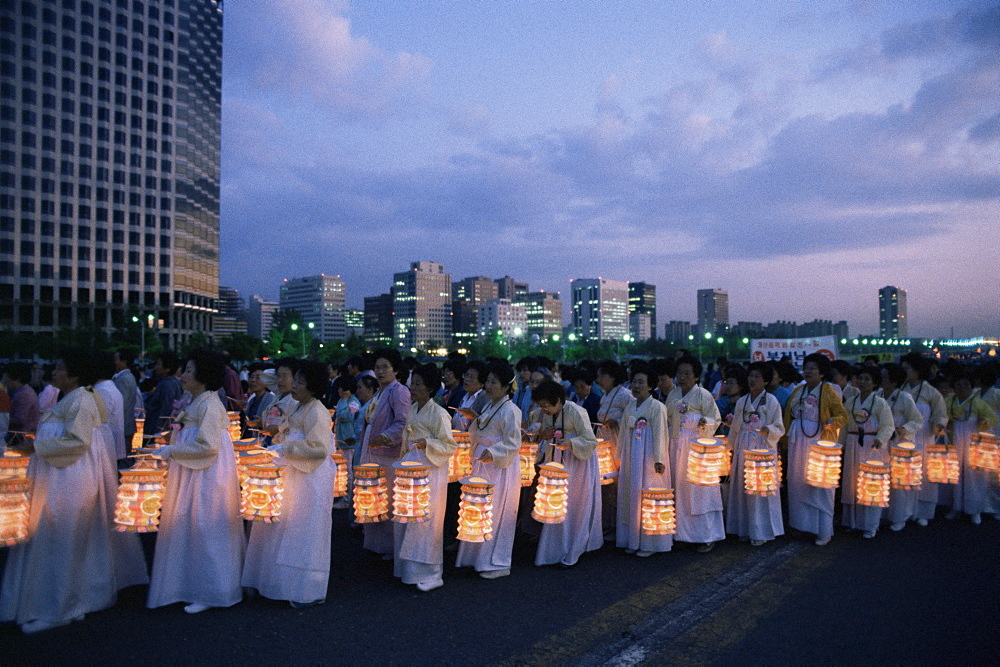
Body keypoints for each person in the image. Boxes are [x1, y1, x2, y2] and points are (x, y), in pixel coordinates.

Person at [0, 351, 120, 633]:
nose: (53, 372)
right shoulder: (74, 398)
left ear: (75, 374)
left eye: (59, 368)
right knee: (60, 540)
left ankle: (58, 609)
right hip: (59, 475)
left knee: (60, 539)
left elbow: (77, 442)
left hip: (68, 477)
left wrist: (35, 447)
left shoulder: (81, 400)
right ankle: (66, 603)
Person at [147, 349, 245, 614]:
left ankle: (212, 589)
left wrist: (171, 451)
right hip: (192, 472)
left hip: (206, 475)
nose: (183, 375)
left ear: (203, 375)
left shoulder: (210, 404)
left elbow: (209, 447)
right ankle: (188, 585)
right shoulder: (197, 401)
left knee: (206, 526)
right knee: (190, 525)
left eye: (189, 370)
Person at [244, 360, 335, 607]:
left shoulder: (316, 410)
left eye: (300, 382)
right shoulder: (298, 406)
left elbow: (319, 448)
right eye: (294, 380)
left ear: (314, 386)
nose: (294, 385)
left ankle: (306, 588)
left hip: (309, 476)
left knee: (304, 530)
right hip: (293, 471)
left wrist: (284, 447)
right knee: (285, 528)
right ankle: (279, 583)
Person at [394, 363, 458, 592]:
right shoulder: (413, 408)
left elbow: (449, 445)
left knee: (426, 518)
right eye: (413, 382)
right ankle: (407, 569)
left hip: (430, 467)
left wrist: (426, 443)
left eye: (418, 383)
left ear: (430, 388)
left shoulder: (439, 414)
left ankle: (431, 572)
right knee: (408, 515)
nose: (413, 387)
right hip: (411, 464)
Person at [456, 361, 522, 579]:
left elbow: (513, 442)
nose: (489, 386)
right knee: (478, 507)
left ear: (506, 387)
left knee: (495, 510)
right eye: (489, 381)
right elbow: (485, 428)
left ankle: (495, 562)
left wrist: (493, 452)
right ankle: (475, 556)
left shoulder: (511, 410)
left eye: (495, 382)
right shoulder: (490, 406)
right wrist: (474, 419)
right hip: (482, 460)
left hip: (498, 465)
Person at [532, 379, 603, 567]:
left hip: (579, 463)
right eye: (541, 406)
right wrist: (544, 436)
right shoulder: (548, 414)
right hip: (558, 461)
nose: (544, 410)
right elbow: (545, 435)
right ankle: (553, 549)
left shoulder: (577, 411)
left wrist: (571, 442)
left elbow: (590, 440)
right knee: (556, 502)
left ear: (557, 400)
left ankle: (575, 546)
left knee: (575, 504)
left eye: (546, 405)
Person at [783, 353, 848, 546]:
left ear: (822, 372)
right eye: (806, 367)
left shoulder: (828, 391)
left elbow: (842, 416)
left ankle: (823, 530)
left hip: (819, 441)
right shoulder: (798, 391)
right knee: (797, 483)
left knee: (819, 485)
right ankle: (802, 526)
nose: (808, 371)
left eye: (813, 368)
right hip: (798, 439)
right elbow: (789, 415)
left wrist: (831, 422)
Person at [666, 355, 723, 552]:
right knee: (678, 487)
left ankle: (705, 535)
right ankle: (679, 533)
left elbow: (715, 418)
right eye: (680, 373)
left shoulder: (703, 395)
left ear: (696, 377)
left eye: (687, 374)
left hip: (696, 449)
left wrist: (704, 423)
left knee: (699, 491)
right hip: (675, 447)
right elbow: (667, 420)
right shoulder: (672, 396)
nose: (682, 377)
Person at [615, 361, 672, 557]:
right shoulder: (630, 406)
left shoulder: (657, 407)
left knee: (648, 495)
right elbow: (623, 432)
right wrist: (619, 455)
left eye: (641, 382)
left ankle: (650, 542)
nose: (636, 386)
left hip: (648, 455)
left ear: (650, 385)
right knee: (630, 494)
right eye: (634, 382)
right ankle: (631, 538)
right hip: (631, 454)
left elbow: (661, 434)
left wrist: (659, 459)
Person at [725, 362, 785, 546]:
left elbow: (779, 427)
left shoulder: (771, 401)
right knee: (743, 486)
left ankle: (761, 531)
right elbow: (735, 427)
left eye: (757, 377)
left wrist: (768, 429)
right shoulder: (742, 401)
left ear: (766, 381)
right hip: (744, 443)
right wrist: (731, 447)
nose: (752, 380)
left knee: (759, 489)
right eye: (751, 376)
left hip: (762, 447)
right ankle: (743, 528)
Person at [359, 349, 411, 558]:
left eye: (385, 367)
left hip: (387, 453)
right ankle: (376, 544)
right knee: (374, 496)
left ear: (395, 369)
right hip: (372, 450)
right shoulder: (381, 391)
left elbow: (403, 422)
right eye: (377, 367)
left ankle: (390, 546)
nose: (380, 371)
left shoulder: (399, 391)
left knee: (387, 497)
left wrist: (385, 437)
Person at [839, 366, 895, 538]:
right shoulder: (851, 402)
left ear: (875, 383)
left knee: (871, 484)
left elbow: (888, 425)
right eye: (860, 379)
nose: (862, 382)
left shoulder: (880, 403)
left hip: (873, 445)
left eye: (867, 379)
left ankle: (871, 525)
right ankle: (853, 522)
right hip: (853, 442)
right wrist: (839, 446)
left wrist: (881, 438)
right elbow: (844, 426)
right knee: (852, 482)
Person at [944, 370, 998, 525]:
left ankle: (975, 510)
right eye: (958, 385)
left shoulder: (978, 403)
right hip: (954, 439)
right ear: (954, 387)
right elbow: (941, 416)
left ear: (972, 386)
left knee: (975, 476)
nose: (962, 388)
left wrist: (983, 422)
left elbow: (993, 418)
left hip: (973, 441)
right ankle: (956, 507)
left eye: (966, 385)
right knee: (955, 473)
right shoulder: (949, 402)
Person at [900, 353, 948, 526]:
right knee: (903, 473)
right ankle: (903, 510)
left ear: (918, 370)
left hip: (924, 437)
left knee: (924, 474)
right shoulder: (900, 388)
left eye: (907, 369)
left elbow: (941, 413)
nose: (904, 372)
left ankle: (923, 511)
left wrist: (939, 425)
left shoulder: (930, 391)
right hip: (903, 436)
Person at [881, 363, 925, 531]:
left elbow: (917, 420)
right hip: (883, 442)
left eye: (884, 377)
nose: (881, 380)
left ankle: (900, 516)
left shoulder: (904, 397)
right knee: (884, 478)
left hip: (900, 443)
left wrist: (904, 429)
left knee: (900, 482)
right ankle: (884, 514)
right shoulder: (878, 395)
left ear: (894, 381)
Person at [144, 351, 184, 437]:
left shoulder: (166, 384)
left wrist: (159, 433)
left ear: (167, 368)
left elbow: (166, 410)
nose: (156, 367)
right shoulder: (173, 382)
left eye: (158, 364)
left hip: (156, 430)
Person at [2, 362, 40, 443]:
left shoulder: (24, 394)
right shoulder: (21, 391)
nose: (5, 381)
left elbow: (19, 420)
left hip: (22, 438)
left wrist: (2, 419)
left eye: (7, 378)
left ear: (16, 378)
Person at [112, 348, 138, 457]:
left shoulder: (124, 378)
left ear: (124, 361)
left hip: (123, 427)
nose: (114, 362)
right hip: (125, 427)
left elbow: (120, 404)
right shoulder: (125, 377)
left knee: (123, 460)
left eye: (116, 359)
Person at [452, 360, 489, 431]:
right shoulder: (462, 395)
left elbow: (485, 426)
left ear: (482, 383)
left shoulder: (485, 399)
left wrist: (474, 416)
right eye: (466, 375)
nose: (466, 379)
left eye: (471, 377)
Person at [242, 363, 277, 438]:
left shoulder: (272, 400)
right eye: (251, 377)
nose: (253, 380)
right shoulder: (252, 400)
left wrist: (263, 423)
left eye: (258, 377)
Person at [715, 365, 747, 438]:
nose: (727, 386)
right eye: (726, 382)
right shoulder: (723, 400)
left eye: (731, 383)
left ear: (741, 385)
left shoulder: (746, 402)